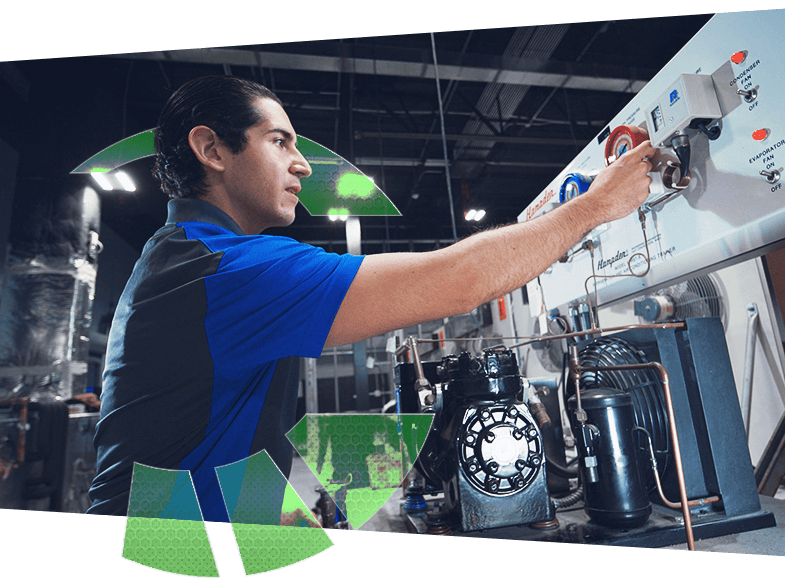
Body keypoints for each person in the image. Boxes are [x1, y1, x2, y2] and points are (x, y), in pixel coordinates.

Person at [87, 75, 654, 522]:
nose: (303, 164)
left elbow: (207, 441)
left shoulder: (182, 256)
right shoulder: (223, 271)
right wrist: (594, 207)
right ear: (211, 148)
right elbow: (459, 281)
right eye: (279, 141)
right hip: (173, 543)